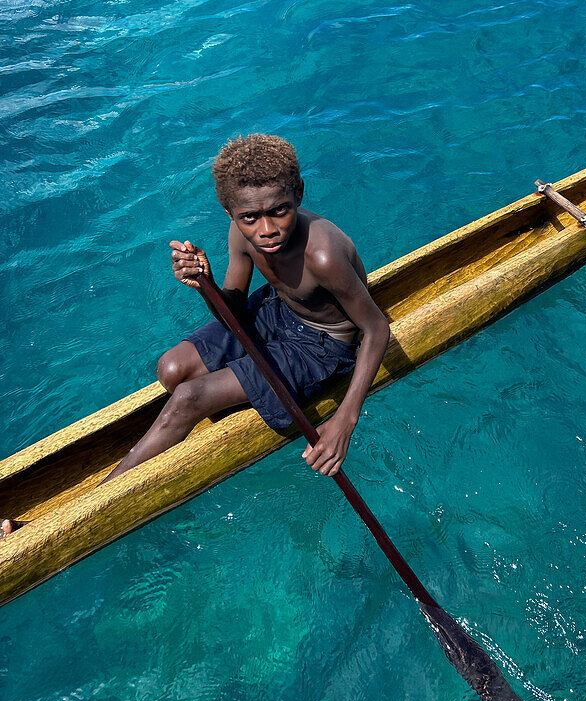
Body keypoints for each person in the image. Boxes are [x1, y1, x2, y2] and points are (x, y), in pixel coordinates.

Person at [0, 133, 391, 538]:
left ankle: (75, 513)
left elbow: (376, 328)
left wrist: (345, 418)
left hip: (322, 345)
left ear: (298, 194)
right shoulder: (242, 234)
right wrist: (206, 284)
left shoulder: (322, 254)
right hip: (276, 312)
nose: (268, 229)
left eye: (281, 211)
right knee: (171, 370)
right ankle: (229, 399)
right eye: (250, 217)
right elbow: (234, 313)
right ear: (230, 211)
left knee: (187, 397)